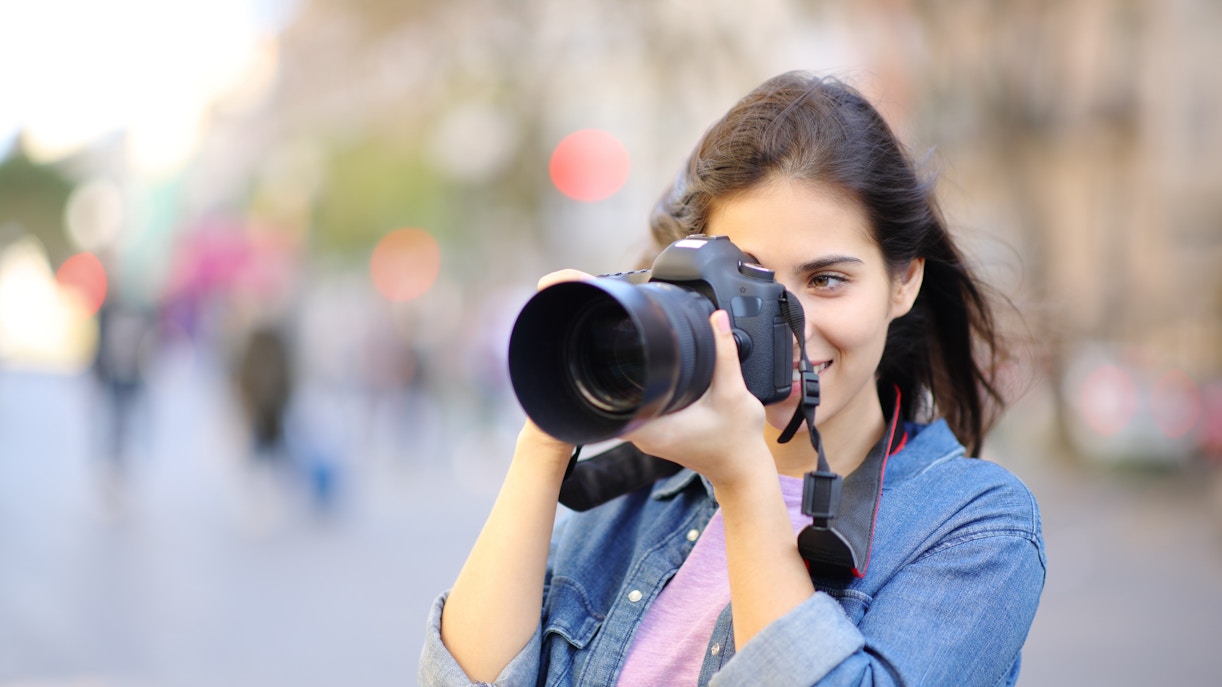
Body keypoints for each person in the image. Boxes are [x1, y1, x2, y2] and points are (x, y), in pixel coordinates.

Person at [420, 71, 1046, 686]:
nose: (786, 326)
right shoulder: (636, 497)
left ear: (903, 281)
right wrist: (554, 424)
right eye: (748, 282)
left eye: (826, 280)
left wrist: (746, 481)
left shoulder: (975, 526)